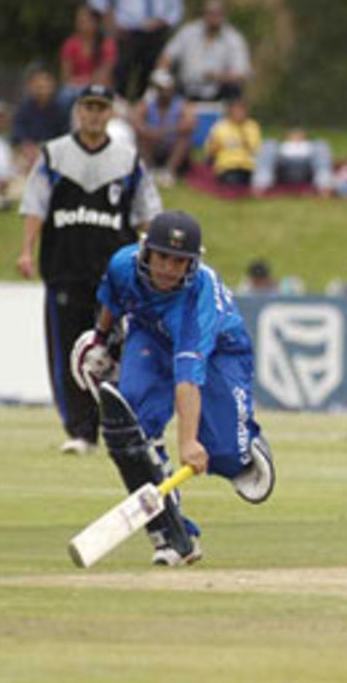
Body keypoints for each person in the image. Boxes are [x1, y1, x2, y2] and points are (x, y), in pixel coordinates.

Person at [71, 210, 275, 566]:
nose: (169, 268)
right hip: (150, 335)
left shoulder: (198, 300)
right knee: (134, 423)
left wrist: (188, 442)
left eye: (180, 261)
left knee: (226, 454)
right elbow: (113, 301)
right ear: (146, 251)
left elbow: (187, 378)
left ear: (192, 264)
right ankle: (174, 531)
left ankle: (244, 445)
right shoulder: (123, 263)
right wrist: (101, 340)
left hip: (220, 352)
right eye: (163, 256)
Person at [17, 84, 162, 455]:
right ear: (78, 111)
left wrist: (158, 260)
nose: (94, 114)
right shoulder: (54, 155)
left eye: (101, 107)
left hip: (115, 276)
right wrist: (26, 251)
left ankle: (123, 426)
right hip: (64, 267)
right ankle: (81, 431)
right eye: (88, 107)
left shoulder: (127, 160)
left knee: (118, 351)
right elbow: (35, 205)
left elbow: (147, 213)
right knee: (67, 350)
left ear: (111, 112)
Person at [88, 0, 183, 101]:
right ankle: (117, 109)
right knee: (120, 78)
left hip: (158, 32)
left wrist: (166, 22)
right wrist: (111, 25)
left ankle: (144, 111)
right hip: (126, 32)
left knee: (151, 80)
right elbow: (98, 1)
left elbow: (175, 6)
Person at [156, 0, 251, 102]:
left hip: (220, 93)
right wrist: (162, 76)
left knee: (235, 91)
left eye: (217, 13)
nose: (214, 17)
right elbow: (167, 55)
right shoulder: (188, 32)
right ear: (204, 14)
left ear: (224, 15)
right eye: (210, 13)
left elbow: (241, 74)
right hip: (186, 90)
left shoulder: (233, 39)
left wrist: (216, 77)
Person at [130, 68, 194, 186]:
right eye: (162, 89)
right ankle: (148, 171)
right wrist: (150, 132)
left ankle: (169, 172)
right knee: (141, 138)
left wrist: (166, 131)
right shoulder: (147, 103)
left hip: (172, 146)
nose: (165, 92)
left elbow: (190, 123)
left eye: (167, 88)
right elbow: (135, 122)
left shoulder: (181, 103)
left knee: (184, 138)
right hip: (152, 144)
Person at [58, 4, 117, 111]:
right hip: (74, 88)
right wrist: (81, 82)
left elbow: (104, 76)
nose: (80, 23)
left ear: (94, 22)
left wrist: (82, 81)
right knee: (64, 97)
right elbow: (66, 76)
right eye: (79, 20)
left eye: (84, 20)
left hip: (99, 87)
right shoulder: (70, 44)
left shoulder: (106, 45)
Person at [12, 66, 69, 171]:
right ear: (31, 86)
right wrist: (27, 147)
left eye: (46, 83)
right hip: (29, 153)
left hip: (53, 153)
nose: (42, 87)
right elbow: (18, 134)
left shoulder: (61, 109)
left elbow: (65, 137)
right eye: (38, 84)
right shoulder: (24, 109)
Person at [252, 127, 333, 196]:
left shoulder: (312, 146)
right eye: (293, 133)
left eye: (299, 133)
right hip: (283, 167)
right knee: (269, 144)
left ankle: (324, 186)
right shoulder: (280, 146)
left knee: (321, 144)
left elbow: (320, 160)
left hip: (305, 167)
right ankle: (261, 186)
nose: (296, 135)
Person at [205, 96, 260, 186]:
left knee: (255, 180)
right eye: (236, 110)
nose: (239, 113)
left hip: (248, 166)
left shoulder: (252, 126)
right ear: (230, 111)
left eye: (242, 110)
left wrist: (243, 135)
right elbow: (210, 152)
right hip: (227, 166)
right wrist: (214, 146)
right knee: (233, 181)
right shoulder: (219, 127)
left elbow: (255, 151)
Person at [235, 257, 304, 296]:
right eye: (256, 280)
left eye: (262, 279)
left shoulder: (285, 287)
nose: (260, 283)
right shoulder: (246, 288)